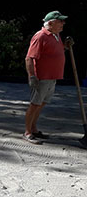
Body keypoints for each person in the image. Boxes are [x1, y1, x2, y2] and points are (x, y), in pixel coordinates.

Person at [23, 10, 73, 144]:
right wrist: (32, 76)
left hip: (52, 77)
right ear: (50, 23)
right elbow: (29, 58)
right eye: (60, 21)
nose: (63, 23)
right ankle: (27, 132)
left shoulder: (56, 35)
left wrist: (65, 46)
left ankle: (34, 129)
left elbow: (54, 51)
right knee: (35, 104)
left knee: (41, 103)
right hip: (42, 77)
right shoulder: (40, 36)